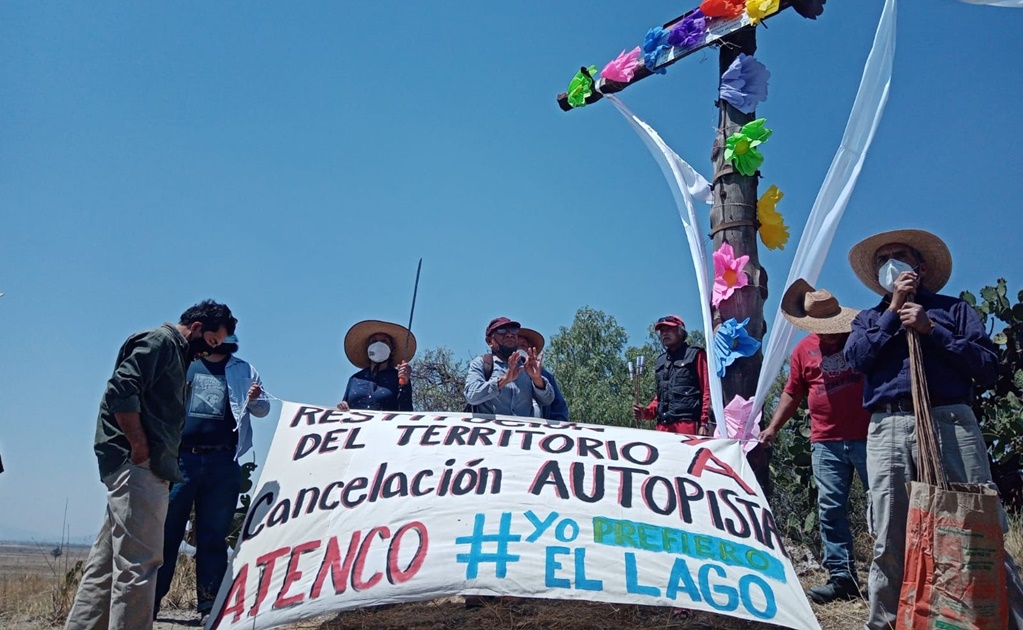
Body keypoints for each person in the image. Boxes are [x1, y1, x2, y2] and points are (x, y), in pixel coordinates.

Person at [843, 229, 1023, 629]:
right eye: (883, 258)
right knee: (890, 531)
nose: (891, 262)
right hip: (889, 425)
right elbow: (857, 359)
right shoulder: (869, 319)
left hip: (950, 420)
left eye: (900, 255)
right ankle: (886, 623)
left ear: (919, 267)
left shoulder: (954, 311)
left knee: (977, 520)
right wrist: (892, 313)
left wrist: (931, 330)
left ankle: (1003, 619)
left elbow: (988, 367)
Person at [66, 300, 235, 630]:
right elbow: (121, 388)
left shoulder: (176, 353)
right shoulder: (161, 342)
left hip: (142, 466)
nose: (211, 351)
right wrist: (140, 446)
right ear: (197, 327)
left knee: (105, 566)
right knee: (140, 564)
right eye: (212, 341)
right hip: (137, 466)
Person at [759, 279, 869, 604]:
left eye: (831, 327)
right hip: (825, 441)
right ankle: (842, 579)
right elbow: (792, 392)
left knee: (884, 507)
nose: (828, 334)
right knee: (830, 509)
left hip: (868, 437)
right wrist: (773, 429)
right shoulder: (803, 350)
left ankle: (894, 578)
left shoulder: (861, 339)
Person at [154, 334, 270, 621]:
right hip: (183, 459)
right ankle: (150, 601)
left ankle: (209, 606)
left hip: (224, 459)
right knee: (166, 532)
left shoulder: (244, 369)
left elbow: (264, 409)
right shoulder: (186, 365)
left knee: (214, 536)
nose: (221, 339)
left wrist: (255, 400)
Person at [633, 315, 710, 435]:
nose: (664, 333)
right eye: (662, 331)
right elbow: (661, 396)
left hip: (687, 424)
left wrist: (704, 422)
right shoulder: (660, 361)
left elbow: (707, 389)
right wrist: (645, 412)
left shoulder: (695, 354)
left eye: (669, 329)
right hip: (662, 426)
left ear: (681, 332)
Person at [463, 317, 554, 416]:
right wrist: (504, 380)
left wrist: (537, 379)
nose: (509, 334)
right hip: (493, 430)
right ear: (490, 341)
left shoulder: (527, 366)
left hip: (522, 430)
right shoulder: (482, 363)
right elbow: (471, 395)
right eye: (501, 331)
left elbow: (547, 401)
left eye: (513, 331)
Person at [337, 320, 414, 412]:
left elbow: (406, 412)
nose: (378, 345)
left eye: (384, 341)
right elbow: (344, 405)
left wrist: (404, 384)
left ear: (391, 348)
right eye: (374, 341)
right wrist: (342, 406)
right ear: (367, 348)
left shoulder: (399, 379)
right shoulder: (355, 379)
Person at [517, 327, 569, 421]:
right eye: (515, 346)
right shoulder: (499, 372)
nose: (519, 349)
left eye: (523, 345)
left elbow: (558, 408)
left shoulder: (545, 375)